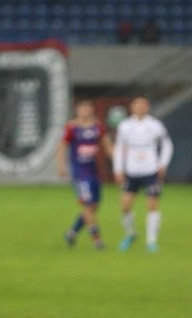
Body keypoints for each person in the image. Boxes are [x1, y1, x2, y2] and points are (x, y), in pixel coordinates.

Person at [112, 95, 173, 253]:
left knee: (152, 205)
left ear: (148, 107)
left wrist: (162, 164)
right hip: (132, 170)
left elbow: (167, 144)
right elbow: (119, 148)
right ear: (132, 108)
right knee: (125, 206)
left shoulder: (155, 125)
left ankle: (151, 241)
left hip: (150, 170)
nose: (140, 108)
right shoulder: (125, 126)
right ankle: (131, 234)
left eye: (143, 105)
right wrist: (118, 169)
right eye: (137, 105)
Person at [56, 98, 113, 250]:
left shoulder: (98, 127)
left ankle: (72, 232)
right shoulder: (71, 127)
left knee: (94, 207)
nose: (85, 111)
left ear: (92, 110)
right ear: (77, 110)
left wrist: (119, 163)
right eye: (82, 108)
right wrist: (61, 166)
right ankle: (97, 241)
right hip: (80, 173)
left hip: (93, 171)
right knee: (87, 206)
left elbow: (108, 146)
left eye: (88, 108)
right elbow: (62, 146)